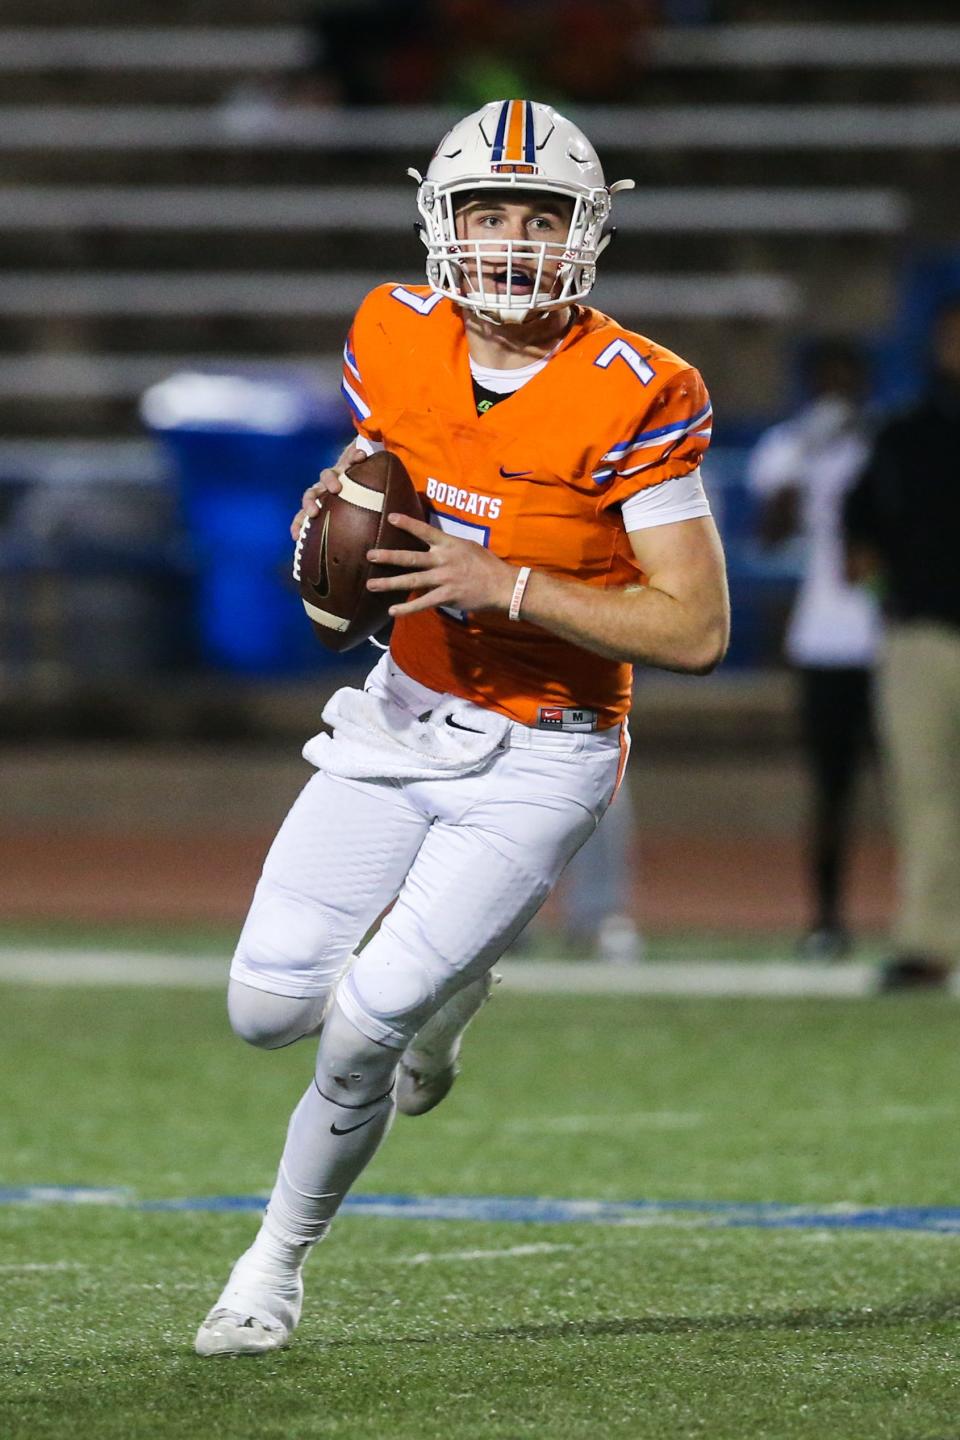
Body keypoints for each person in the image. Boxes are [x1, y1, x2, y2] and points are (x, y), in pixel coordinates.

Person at [194, 99, 729, 1357]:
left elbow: (696, 630)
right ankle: (455, 989)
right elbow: (384, 469)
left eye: (537, 216)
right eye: (487, 212)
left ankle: (270, 1266)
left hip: (546, 745)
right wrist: (334, 520)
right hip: (398, 714)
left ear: (584, 233)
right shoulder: (393, 330)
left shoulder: (639, 388)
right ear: (442, 221)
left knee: (365, 1021)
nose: (508, 241)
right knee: (266, 1009)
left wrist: (516, 587)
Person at [748, 341, 881, 959]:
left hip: (899, 636)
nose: (838, 393)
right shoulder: (790, 447)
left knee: (929, 786)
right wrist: (806, 456)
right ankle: (827, 919)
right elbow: (771, 536)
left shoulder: (887, 445)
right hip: (827, 639)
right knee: (831, 790)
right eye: (827, 381)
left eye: (847, 381)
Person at [844, 297, 960, 992]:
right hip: (919, 635)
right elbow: (858, 535)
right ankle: (927, 940)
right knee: (924, 795)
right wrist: (890, 594)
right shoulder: (902, 434)